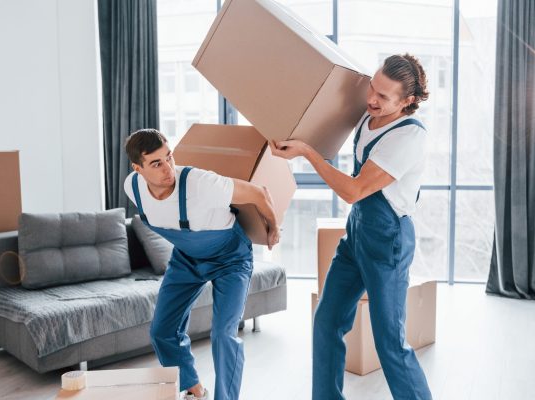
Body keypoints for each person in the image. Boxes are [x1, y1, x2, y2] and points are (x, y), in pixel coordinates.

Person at [270, 53, 432, 400]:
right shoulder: (370, 114)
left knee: (389, 342)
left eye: (384, 96)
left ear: (408, 101)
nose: (372, 99)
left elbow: (354, 189)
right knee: (326, 322)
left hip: (388, 240)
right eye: (372, 87)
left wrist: (307, 153)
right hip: (357, 232)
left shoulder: (408, 137)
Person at [123, 128, 280, 400]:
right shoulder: (132, 187)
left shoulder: (200, 183)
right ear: (138, 168)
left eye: (169, 157)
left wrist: (273, 229)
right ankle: (194, 389)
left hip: (231, 259)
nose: (167, 168)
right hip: (187, 259)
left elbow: (260, 193)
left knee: (223, 335)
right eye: (156, 163)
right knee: (162, 330)